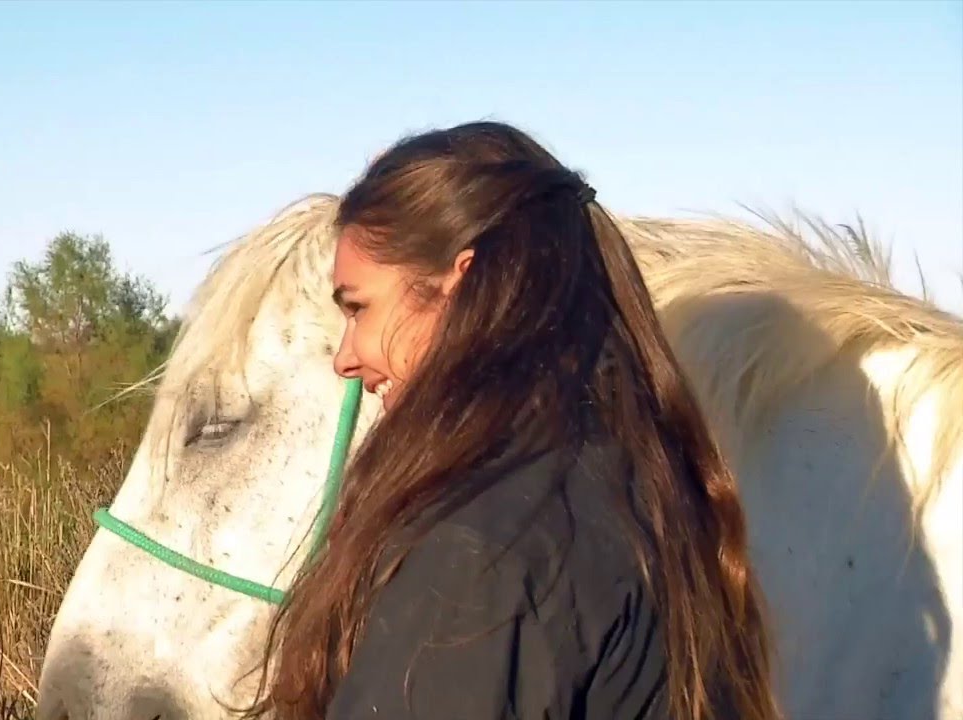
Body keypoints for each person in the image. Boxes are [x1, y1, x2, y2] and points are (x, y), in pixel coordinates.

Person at [242, 121, 780, 720]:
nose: (345, 356)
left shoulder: (483, 553)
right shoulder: (643, 488)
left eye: (359, 306)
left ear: (463, 286)